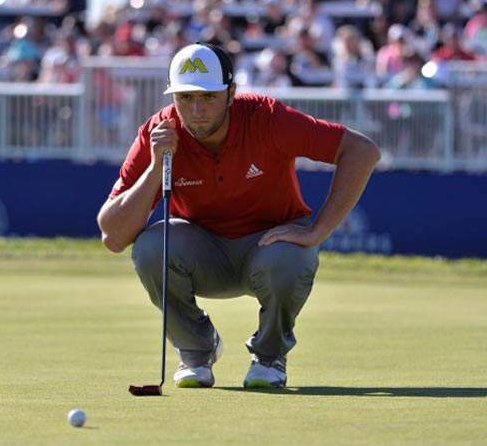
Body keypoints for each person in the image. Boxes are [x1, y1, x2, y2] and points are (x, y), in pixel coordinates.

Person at [96, 43, 380, 388]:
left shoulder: (267, 119)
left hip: (269, 245)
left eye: (209, 97)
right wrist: (158, 166)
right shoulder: (160, 132)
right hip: (203, 250)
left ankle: (270, 355)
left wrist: (318, 231)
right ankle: (196, 351)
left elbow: (362, 151)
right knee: (151, 247)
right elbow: (112, 236)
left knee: (290, 258)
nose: (196, 110)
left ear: (231, 93)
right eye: (184, 98)